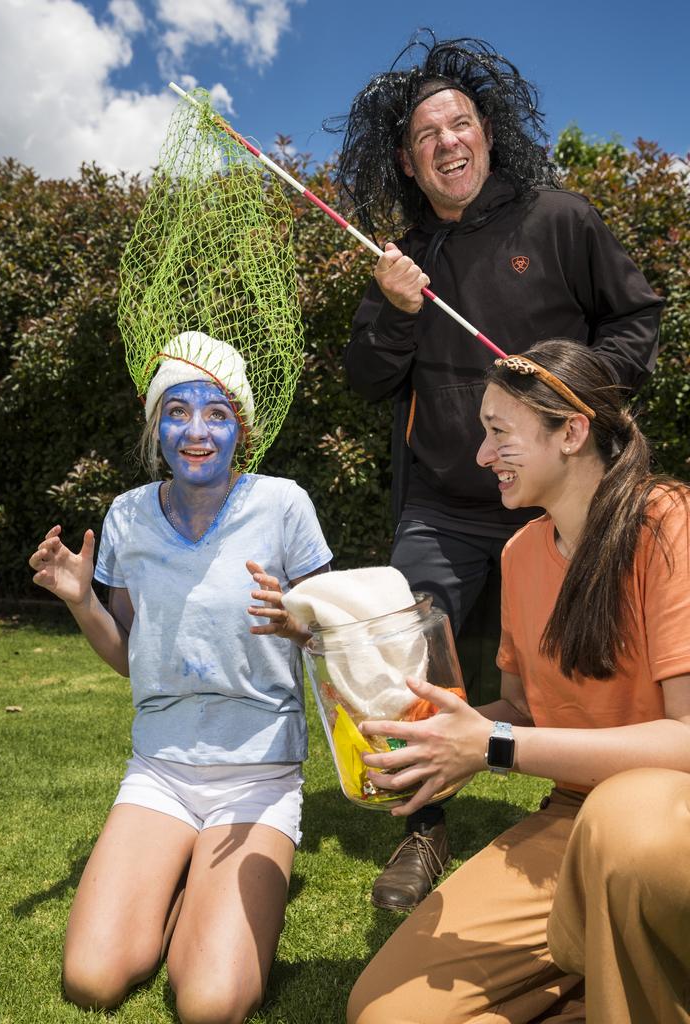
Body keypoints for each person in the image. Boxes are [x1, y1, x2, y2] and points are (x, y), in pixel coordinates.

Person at [335, 32, 664, 910]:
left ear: (487, 133)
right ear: (407, 162)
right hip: (444, 504)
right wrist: (396, 311)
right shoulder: (404, 262)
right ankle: (422, 830)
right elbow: (368, 375)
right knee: (412, 657)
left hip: (560, 498)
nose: (448, 140)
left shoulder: (559, 219)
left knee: (606, 656)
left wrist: (575, 398)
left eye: (461, 123)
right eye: (427, 135)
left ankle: (629, 802)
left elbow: (636, 319)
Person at [346, 339, 690, 1024]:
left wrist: (495, 745)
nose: (480, 455)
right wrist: (441, 742)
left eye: (498, 432)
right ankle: (615, 978)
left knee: (625, 833)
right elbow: (524, 711)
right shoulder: (521, 552)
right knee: (385, 1013)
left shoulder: (669, 523)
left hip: (664, 821)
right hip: (573, 820)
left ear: (572, 432)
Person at [28, 332, 332, 1023]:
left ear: (241, 431)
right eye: (177, 411)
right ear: (155, 427)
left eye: (218, 414)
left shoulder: (284, 506)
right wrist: (81, 600)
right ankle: (184, 883)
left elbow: (340, 639)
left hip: (258, 776)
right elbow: (131, 654)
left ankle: (208, 888)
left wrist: (302, 626)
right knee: (93, 980)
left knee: (210, 1004)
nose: (196, 431)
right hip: (161, 772)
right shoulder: (128, 516)